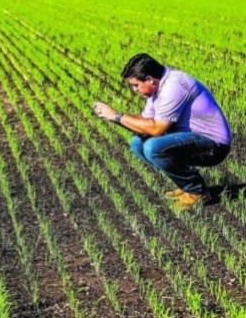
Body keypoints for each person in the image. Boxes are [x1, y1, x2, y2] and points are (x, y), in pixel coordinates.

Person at [92, 53, 232, 209]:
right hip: (191, 139)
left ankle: (196, 191)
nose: (134, 90)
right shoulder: (157, 88)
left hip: (214, 146)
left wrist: (117, 116)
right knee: (138, 143)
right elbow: (145, 121)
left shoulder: (174, 86)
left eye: (136, 85)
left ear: (150, 79)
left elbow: (156, 129)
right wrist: (114, 117)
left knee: (153, 147)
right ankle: (185, 183)